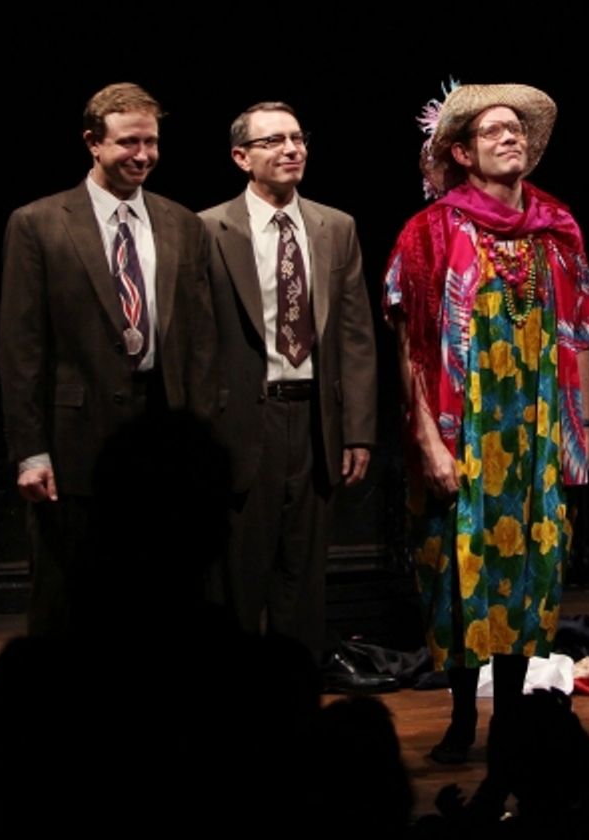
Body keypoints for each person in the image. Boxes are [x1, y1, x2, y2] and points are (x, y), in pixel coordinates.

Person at [383, 82, 589, 782]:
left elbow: (580, 332)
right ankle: (460, 713)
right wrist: (428, 439)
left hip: (536, 431)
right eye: (495, 131)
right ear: (461, 150)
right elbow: (412, 346)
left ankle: (509, 713)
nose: (513, 139)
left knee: (527, 573)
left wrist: (583, 428)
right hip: (467, 428)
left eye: (519, 131)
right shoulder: (432, 231)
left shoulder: (556, 225)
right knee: (458, 572)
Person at [0, 82, 215, 635]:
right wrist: (30, 452)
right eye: (127, 143)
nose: (142, 155)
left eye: (152, 142)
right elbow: (21, 349)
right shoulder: (39, 223)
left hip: (160, 434)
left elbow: (198, 344)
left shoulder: (182, 224)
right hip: (75, 437)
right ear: (93, 143)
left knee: (156, 592)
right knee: (67, 592)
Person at [200, 102, 390, 690]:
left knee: (303, 572)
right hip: (243, 421)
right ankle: (231, 693)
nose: (291, 149)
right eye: (274, 141)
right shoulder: (207, 229)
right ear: (242, 157)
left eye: (298, 138)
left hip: (313, 418)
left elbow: (357, 334)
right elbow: (197, 340)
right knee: (238, 569)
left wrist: (357, 428)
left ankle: (296, 694)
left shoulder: (336, 227)